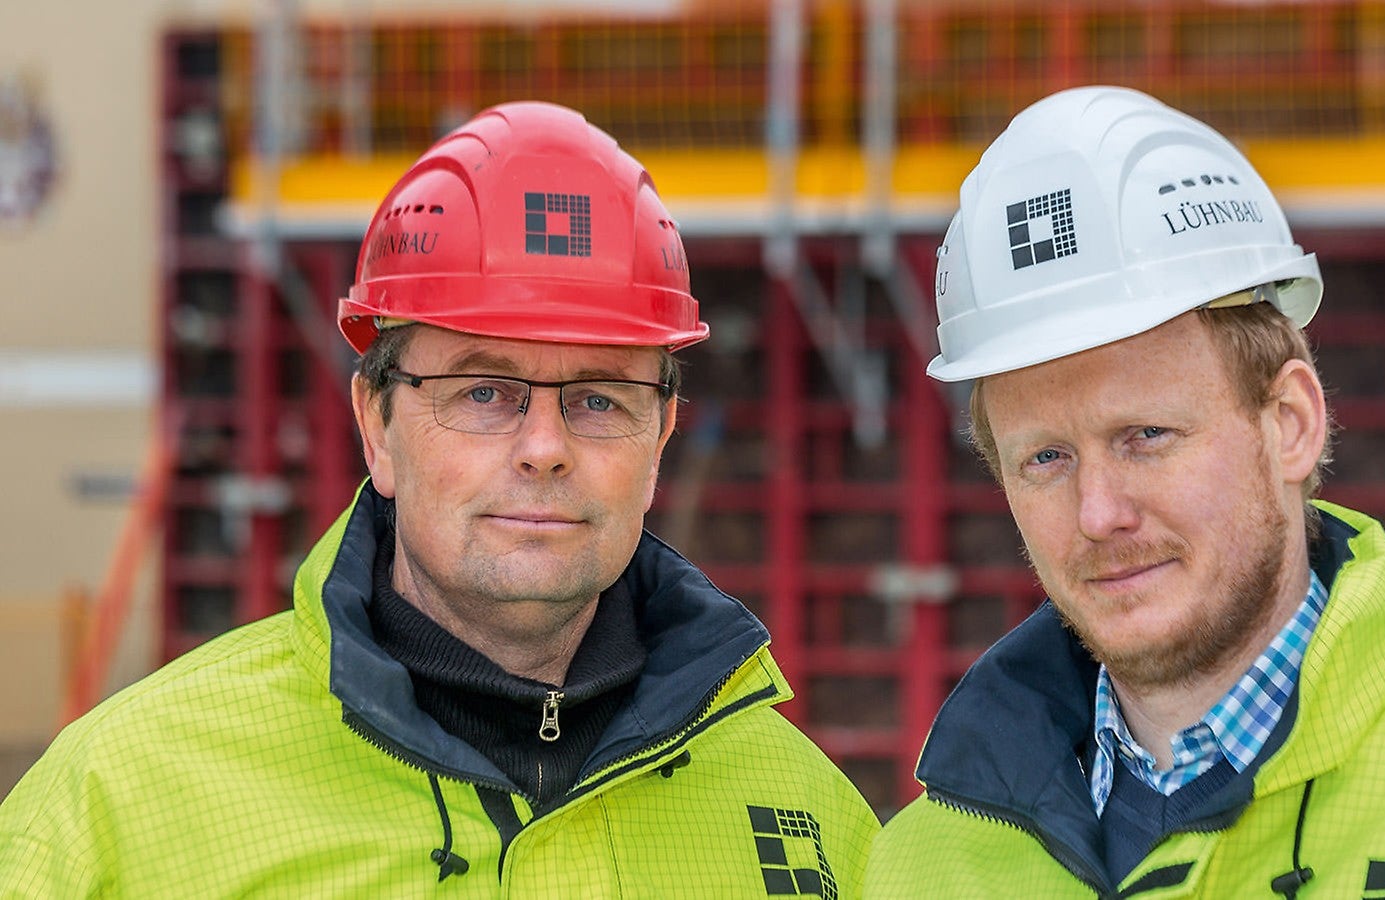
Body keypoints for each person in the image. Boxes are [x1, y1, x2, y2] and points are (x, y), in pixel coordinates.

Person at [0, 102, 878, 897]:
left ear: (661, 440)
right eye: (483, 393)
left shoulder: (813, 827)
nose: (545, 450)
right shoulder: (120, 808)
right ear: (376, 425)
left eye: (600, 398)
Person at [866, 85, 1385, 897]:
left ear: (1289, 422)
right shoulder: (922, 867)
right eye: (1045, 458)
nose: (1099, 513)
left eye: (1146, 437)